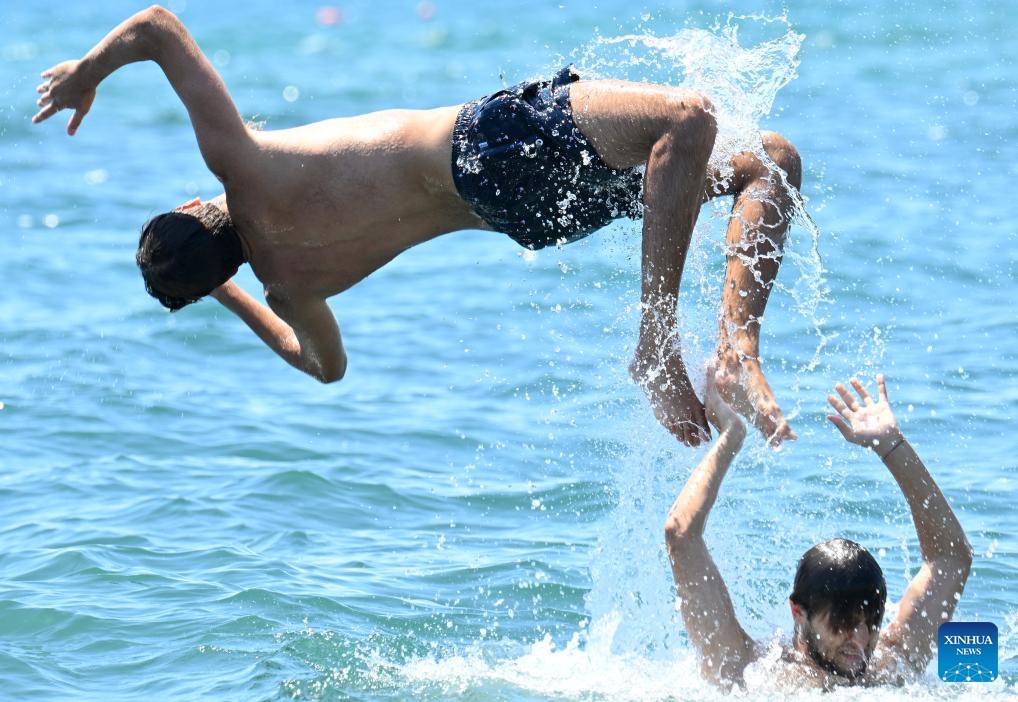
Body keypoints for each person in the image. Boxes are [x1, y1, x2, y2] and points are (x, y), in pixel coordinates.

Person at [32, 6, 803, 448]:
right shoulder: (242, 165)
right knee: (688, 118)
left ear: (218, 276)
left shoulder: (291, 287)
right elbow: (160, 29)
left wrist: (235, 295)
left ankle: (735, 347)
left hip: (518, 216)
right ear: (191, 207)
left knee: (764, 164)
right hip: (487, 144)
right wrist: (82, 75)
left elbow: (324, 367)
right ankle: (660, 345)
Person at [664, 368, 972, 689]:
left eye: (872, 623)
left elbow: (951, 559)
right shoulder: (749, 673)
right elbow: (681, 534)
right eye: (844, 623)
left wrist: (892, 446)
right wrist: (730, 436)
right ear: (798, 612)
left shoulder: (891, 667)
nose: (861, 640)